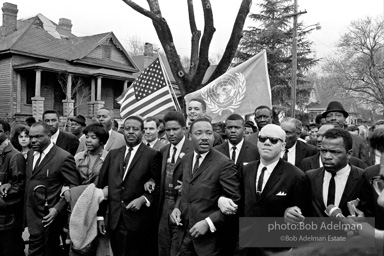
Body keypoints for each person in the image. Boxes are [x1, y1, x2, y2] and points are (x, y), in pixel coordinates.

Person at [170, 118, 241, 256]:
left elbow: (234, 202)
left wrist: (208, 223)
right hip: (182, 235)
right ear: (189, 136)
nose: (204, 138)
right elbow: (185, 189)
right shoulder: (186, 159)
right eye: (199, 133)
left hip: (208, 242)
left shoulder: (224, 164)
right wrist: (177, 208)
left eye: (209, 133)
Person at [236, 124, 308, 256]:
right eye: (262, 139)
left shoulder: (296, 175)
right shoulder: (246, 170)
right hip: (245, 247)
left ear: (283, 145)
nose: (267, 143)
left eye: (273, 140)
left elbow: (301, 218)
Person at [97, 116, 162, 256]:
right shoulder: (113, 154)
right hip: (114, 219)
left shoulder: (153, 155)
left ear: (142, 132)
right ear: (122, 131)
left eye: (135, 129)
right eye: (127, 129)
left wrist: (143, 199)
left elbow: (158, 186)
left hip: (137, 221)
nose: (131, 132)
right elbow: (101, 186)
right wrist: (100, 216)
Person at [285, 128, 374, 223]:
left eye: (334, 152)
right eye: (323, 151)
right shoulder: (310, 177)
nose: (327, 157)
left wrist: (364, 220)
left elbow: (372, 215)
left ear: (349, 154)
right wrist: (290, 212)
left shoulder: (363, 177)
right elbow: (300, 209)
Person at [25, 121, 81, 256]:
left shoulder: (63, 157)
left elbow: (74, 186)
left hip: (48, 217)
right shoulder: (31, 154)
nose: (33, 140)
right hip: (31, 214)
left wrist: (57, 208)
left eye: (38, 137)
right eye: (31, 137)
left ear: (49, 135)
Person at [214, 114, 259, 256]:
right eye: (229, 127)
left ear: (244, 129)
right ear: (225, 129)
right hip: (220, 209)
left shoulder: (255, 151)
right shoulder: (216, 151)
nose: (233, 130)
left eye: (237, 127)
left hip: (245, 210)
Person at [68, 123, 109, 256]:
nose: (88, 140)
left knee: (97, 245)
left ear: (102, 141)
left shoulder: (109, 158)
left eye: (93, 137)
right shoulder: (78, 157)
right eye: (87, 136)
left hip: (100, 204)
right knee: (77, 242)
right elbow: (71, 180)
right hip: (79, 203)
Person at [156, 111, 193, 256]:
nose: (171, 133)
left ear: (184, 129)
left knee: (180, 248)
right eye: (168, 130)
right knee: (163, 245)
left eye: (175, 129)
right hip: (164, 204)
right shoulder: (164, 150)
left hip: (183, 205)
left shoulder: (193, 149)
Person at [0, 120, 26, 256]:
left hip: (8, 218)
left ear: (7, 133)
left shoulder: (15, 156)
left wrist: (2, 201)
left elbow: (19, 186)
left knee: (11, 249)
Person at [322, 101, 370, 167]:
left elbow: (365, 166)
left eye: (338, 115)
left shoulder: (358, 141)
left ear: (345, 119)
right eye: (329, 116)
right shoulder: (319, 140)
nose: (333, 118)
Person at [301, 124, 366, 172]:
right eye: (318, 135)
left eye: (324, 136)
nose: (319, 139)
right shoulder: (306, 163)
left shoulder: (357, 164)